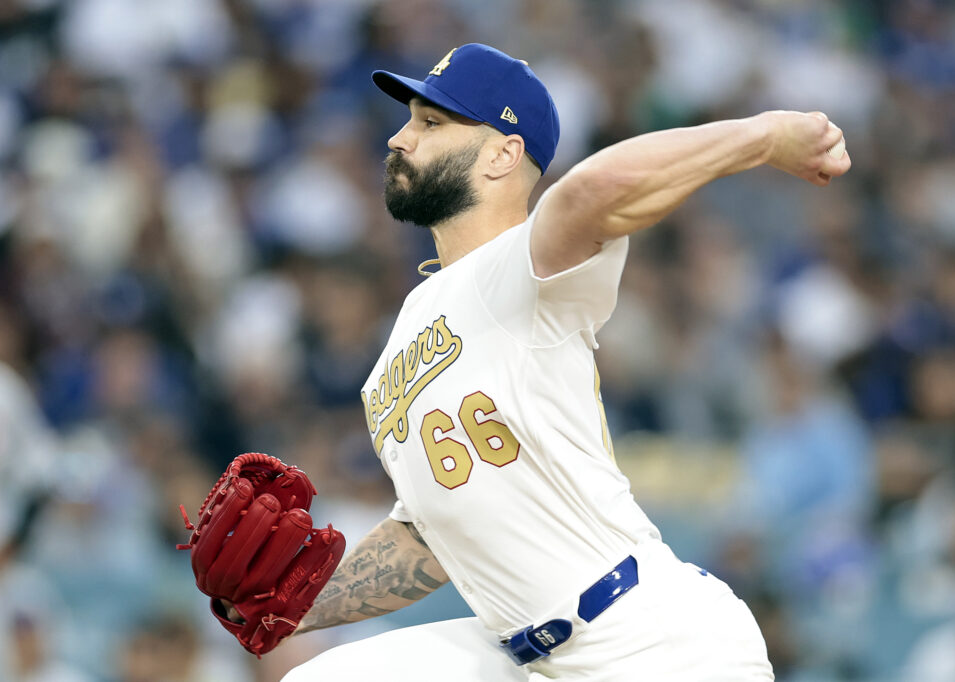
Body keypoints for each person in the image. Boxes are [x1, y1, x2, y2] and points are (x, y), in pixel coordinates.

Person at [279, 42, 850, 681]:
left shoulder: (532, 260)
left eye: (430, 122)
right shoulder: (406, 331)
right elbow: (429, 538)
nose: (399, 138)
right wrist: (292, 606)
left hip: (648, 640)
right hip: (528, 656)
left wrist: (766, 135)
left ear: (504, 152)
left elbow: (590, 191)